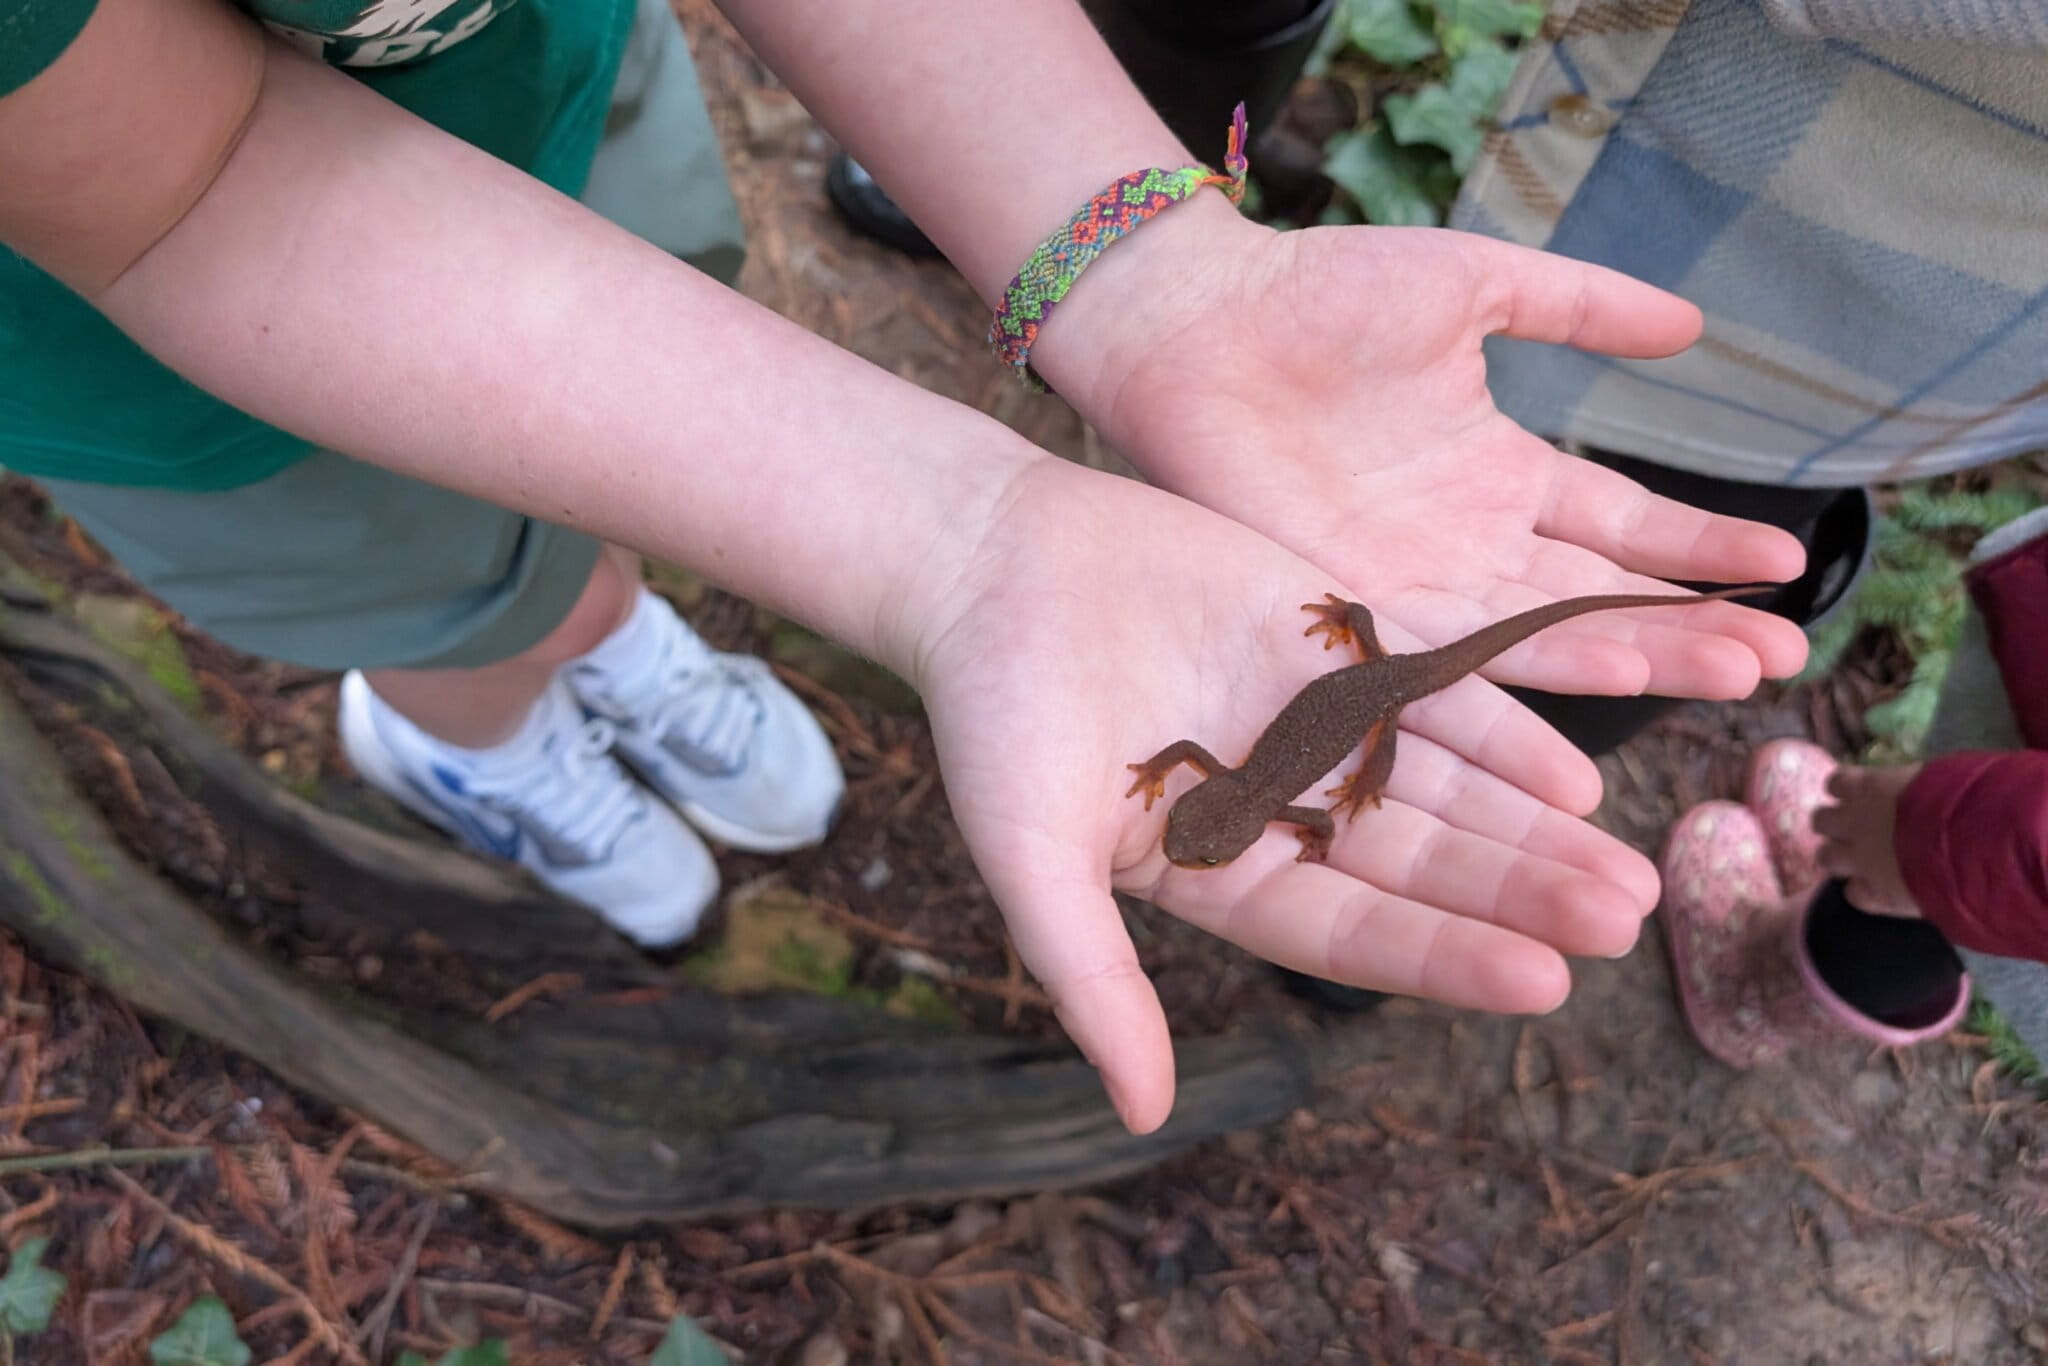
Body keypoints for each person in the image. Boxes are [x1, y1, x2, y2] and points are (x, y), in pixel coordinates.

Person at [0, 0, 1806, 1134]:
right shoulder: (1263, 781)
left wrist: (1152, 281)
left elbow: (1294, 749)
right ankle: (461, 722)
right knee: (441, 582)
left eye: (1202, 815)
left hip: (552, 99)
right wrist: (960, 536)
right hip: (179, 348)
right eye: (1204, 818)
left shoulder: (1263, 769)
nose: (1191, 812)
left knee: (591, 512)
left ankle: (596, 630)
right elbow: (197, 175)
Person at [1659, 507, 2048, 1066]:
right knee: (1935, 890)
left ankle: (1753, 991)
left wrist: (1945, 838)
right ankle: (1836, 889)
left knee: (1954, 910)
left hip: (2010, 852)